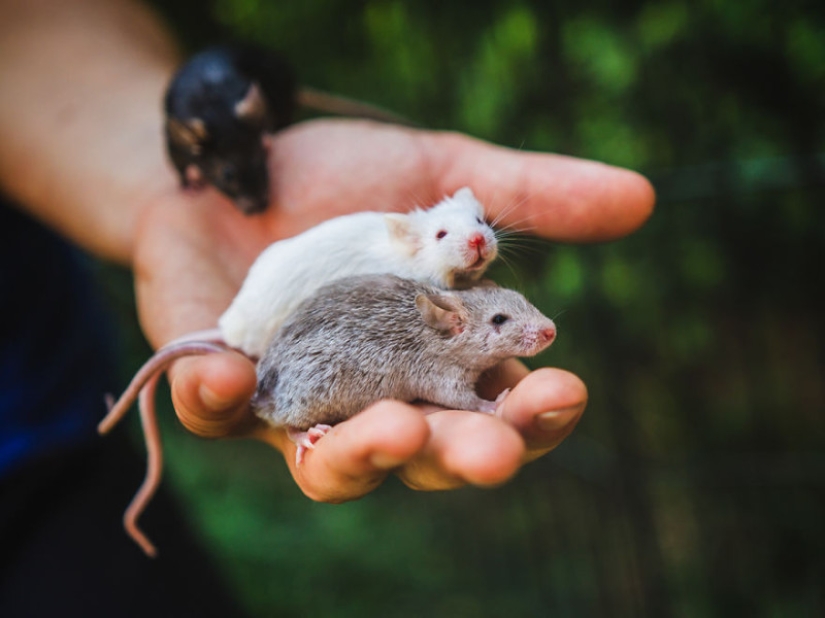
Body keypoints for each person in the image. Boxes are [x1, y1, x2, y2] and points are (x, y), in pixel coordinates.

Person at [0, 0, 654, 610]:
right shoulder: (409, 265)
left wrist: (166, 191)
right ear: (413, 237)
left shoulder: (425, 274)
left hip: (56, 444)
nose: (480, 240)